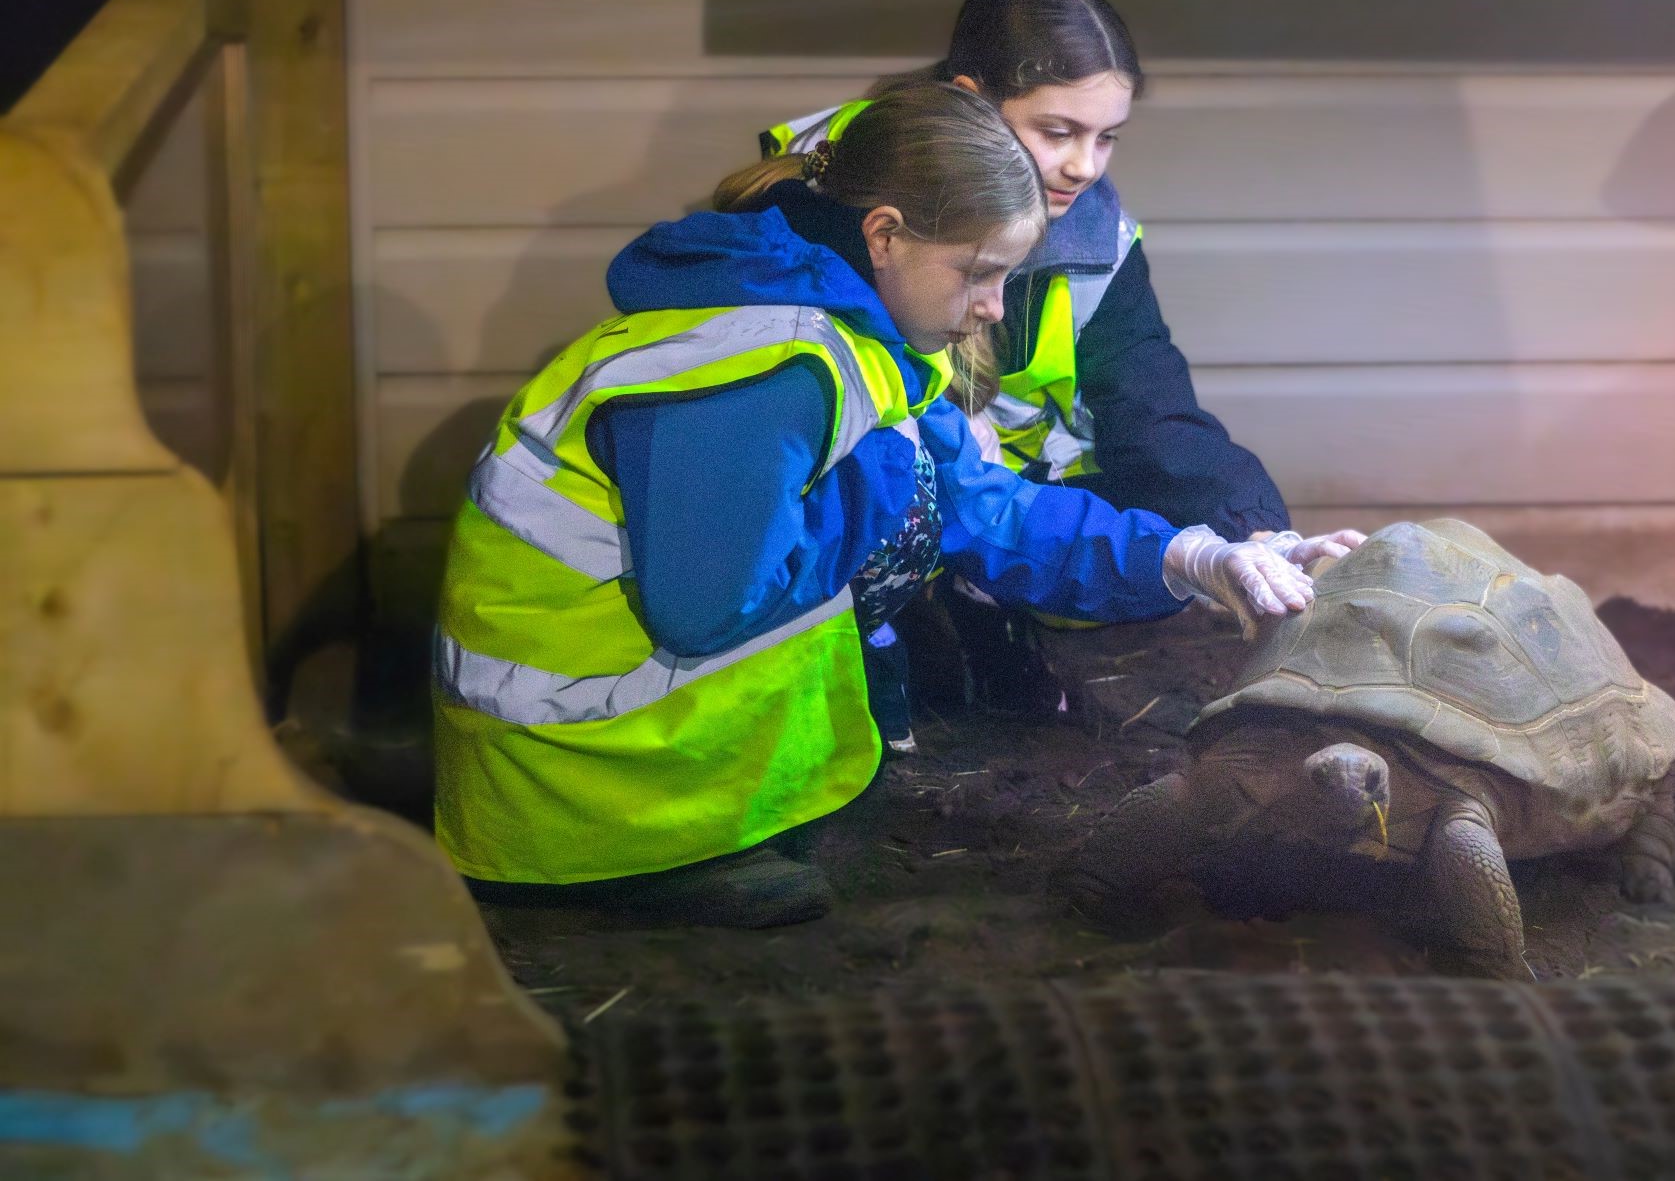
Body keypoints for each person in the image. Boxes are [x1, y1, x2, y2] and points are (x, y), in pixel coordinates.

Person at [431, 84, 1338, 928]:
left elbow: (996, 512)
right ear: (885, 235)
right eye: (979, 274)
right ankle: (654, 859)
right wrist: (892, 487)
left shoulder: (838, 324)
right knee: (905, 498)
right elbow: (703, 608)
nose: (991, 310)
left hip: (603, 734)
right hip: (574, 788)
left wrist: (1191, 557)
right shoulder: (763, 365)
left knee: (920, 486)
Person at [762, 0, 1361, 717]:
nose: (1084, 165)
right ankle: (894, 641)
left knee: (1175, 517)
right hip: (879, 490)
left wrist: (1252, 535)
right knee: (899, 480)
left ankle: (976, 607)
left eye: (1106, 137)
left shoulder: (1095, 231)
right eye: (1058, 132)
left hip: (990, 493)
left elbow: (1154, 407)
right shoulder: (846, 199)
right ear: (972, 101)